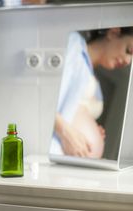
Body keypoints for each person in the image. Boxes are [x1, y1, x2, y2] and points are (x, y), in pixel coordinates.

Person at [51, 27, 133, 158]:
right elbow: (40, 99)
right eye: (129, 50)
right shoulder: (73, 45)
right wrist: (66, 132)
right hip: (54, 153)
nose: (128, 61)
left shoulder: (96, 84)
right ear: (113, 33)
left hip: (71, 165)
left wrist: (93, 130)